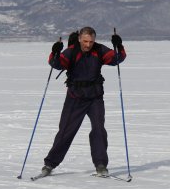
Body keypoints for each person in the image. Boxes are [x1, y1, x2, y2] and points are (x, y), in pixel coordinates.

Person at [41, 26, 126, 177]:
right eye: (85, 41)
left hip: (95, 97)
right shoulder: (71, 51)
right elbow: (57, 64)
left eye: (91, 41)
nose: (88, 44)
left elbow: (117, 59)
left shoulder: (99, 50)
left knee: (99, 130)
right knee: (66, 131)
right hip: (75, 97)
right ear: (80, 38)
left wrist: (118, 45)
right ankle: (49, 164)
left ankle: (101, 165)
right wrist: (55, 52)